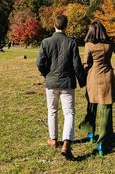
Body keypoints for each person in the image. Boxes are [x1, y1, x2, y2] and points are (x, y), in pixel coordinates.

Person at [36, 14, 86, 159]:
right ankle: (67, 142)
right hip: (67, 83)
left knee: (52, 110)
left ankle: (53, 139)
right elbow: (77, 65)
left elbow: (40, 63)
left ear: (54, 25)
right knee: (69, 113)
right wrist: (82, 81)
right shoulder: (71, 42)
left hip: (51, 82)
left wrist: (46, 74)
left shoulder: (46, 42)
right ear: (66, 26)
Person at [79, 21, 115, 157]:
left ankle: (90, 132)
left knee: (91, 105)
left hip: (93, 78)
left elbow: (86, 64)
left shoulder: (89, 45)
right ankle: (103, 142)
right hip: (107, 77)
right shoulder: (109, 44)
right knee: (106, 110)